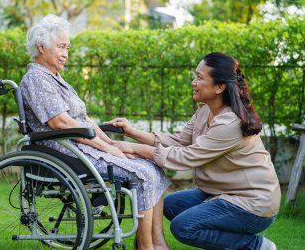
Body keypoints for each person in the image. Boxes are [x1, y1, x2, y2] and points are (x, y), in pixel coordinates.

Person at [19, 14, 171, 250]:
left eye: (67, 48)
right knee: (145, 174)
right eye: (61, 47)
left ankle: (158, 243)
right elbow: (61, 124)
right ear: (41, 47)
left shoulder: (56, 78)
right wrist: (108, 148)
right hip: (67, 152)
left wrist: (112, 142)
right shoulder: (37, 79)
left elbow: (83, 118)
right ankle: (146, 247)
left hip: (83, 147)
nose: (65, 54)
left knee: (154, 168)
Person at [108, 52, 281, 250]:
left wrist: (134, 148)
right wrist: (132, 132)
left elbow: (185, 157)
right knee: (172, 204)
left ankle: (256, 245)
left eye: (199, 78)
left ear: (219, 87)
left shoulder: (230, 123)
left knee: (184, 227)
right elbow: (178, 141)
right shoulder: (205, 109)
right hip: (222, 193)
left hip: (254, 204)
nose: (193, 82)